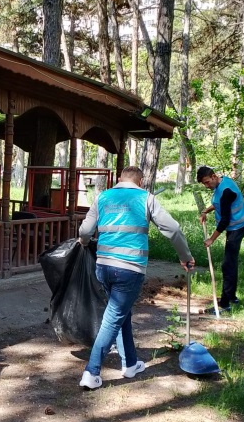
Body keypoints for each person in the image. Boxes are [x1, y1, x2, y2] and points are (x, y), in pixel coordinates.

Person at [77, 165, 194, 390]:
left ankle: (130, 363)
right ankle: (91, 372)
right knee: (113, 317)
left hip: (103, 267)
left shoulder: (103, 197)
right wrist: (185, 256)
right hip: (129, 269)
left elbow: (85, 231)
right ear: (140, 182)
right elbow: (174, 229)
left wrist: (83, 243)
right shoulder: (146, 198)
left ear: (120, 179)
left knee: (122, 314)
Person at [196, 166, 244, 314]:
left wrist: (211, 240)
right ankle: (232, 296)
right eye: (204, 184)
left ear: (214, 176)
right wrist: (206, 211)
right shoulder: (222, 183)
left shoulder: (226, 190)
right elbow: (219, 203)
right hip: (236, 225)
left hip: (238, 226)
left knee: (228, 265)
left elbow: (225, 220)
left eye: (207, 182)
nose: (206, 186)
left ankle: (224, 305)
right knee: (230, 263)